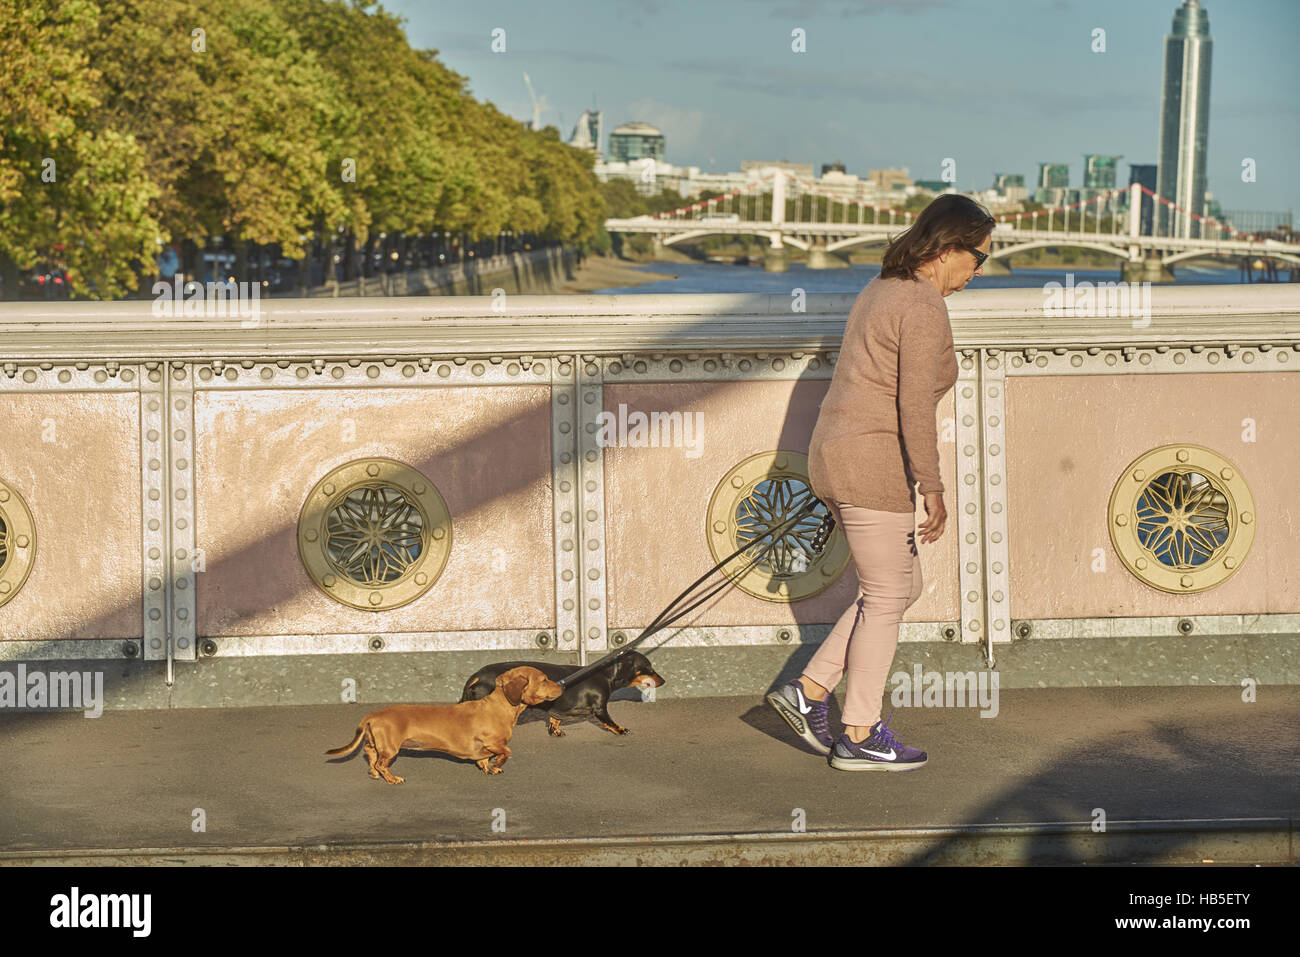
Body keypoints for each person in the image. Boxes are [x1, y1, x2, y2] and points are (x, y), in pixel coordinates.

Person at [766, 194, 995, 771]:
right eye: (979, 258)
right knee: (890, 594)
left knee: (899, 586)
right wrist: (932, 485)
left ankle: (810, 690)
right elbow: (913, 405)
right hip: (871, 464)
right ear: (947, 249)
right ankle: (860, 732)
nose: (978, 272)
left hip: (840, 455)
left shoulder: (881, 287)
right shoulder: (920, 304)